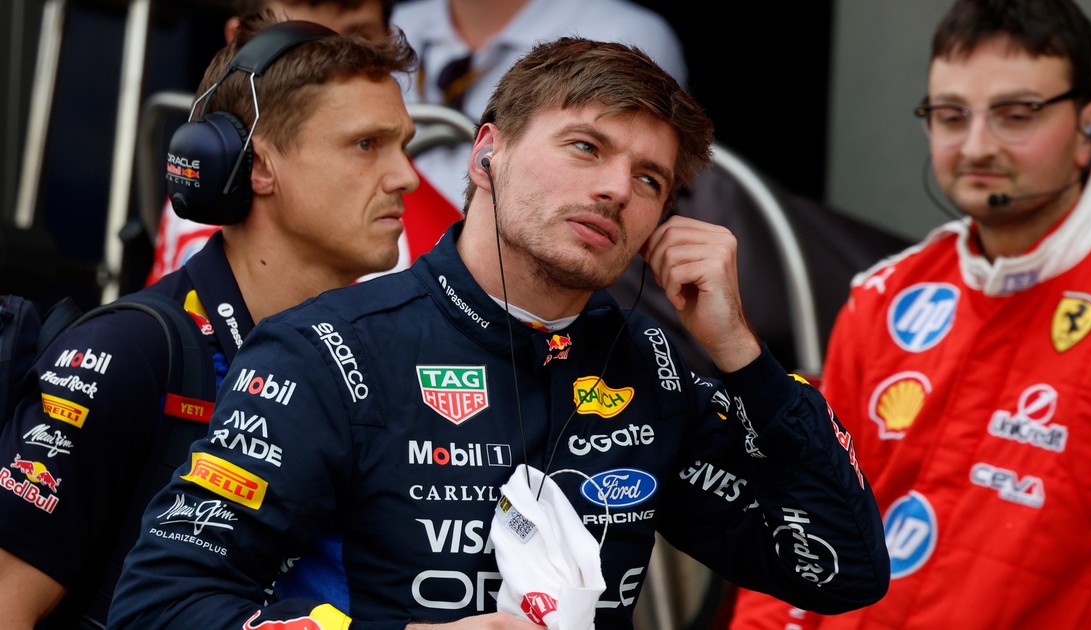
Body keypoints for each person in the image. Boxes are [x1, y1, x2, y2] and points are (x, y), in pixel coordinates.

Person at [108, 36, 890, 628]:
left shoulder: (649, 369)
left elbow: (840, 570)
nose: (616, 188)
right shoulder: (328, 353)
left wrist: (743, 357)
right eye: (586, 147)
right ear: (487, 155)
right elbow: (160, 602)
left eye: (650, 179)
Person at [728, 0, 1091, 628]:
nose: (977, 146)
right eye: (951, 116)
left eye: (1016, 115)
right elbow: (803, 516)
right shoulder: (886, 295)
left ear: (1090, 127)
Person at [0, 12, 420, 629]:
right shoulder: (130, 354)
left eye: (404, 145)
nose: (406, 176)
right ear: (259, 166)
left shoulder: (386, 358)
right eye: (366, 145)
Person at [144, 0, 460, 286]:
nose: (336, 64)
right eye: (296, 43)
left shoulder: (443, 245)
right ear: (258, 164)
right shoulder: (203, 205)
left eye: (358, 39)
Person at [390, 0, 686, 205]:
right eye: (585, 147)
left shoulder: (624, 32)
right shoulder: (389, 24)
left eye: (585, 146)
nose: (620, 190)